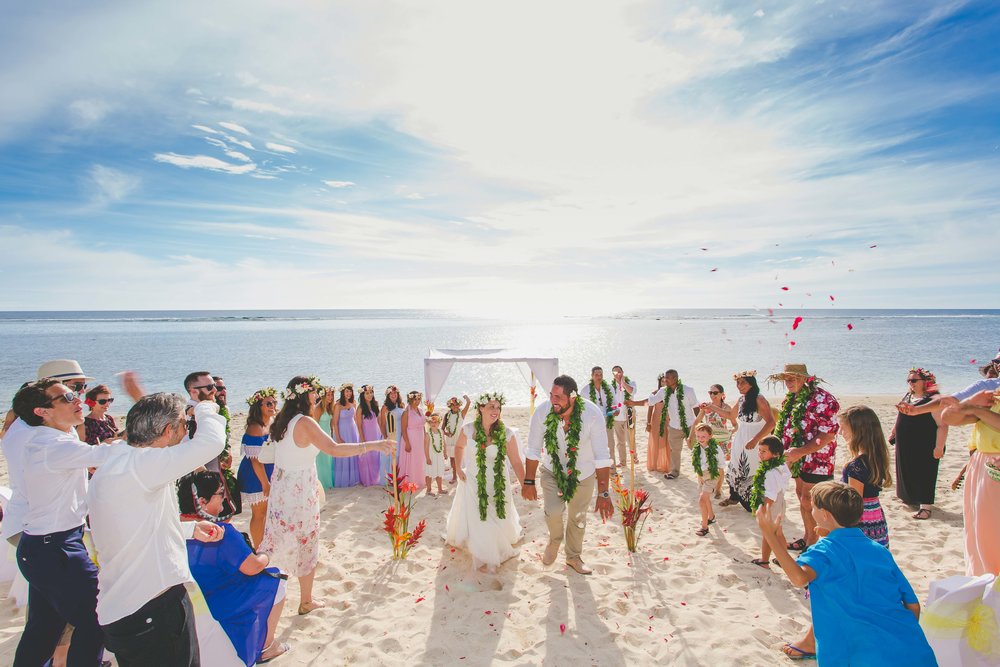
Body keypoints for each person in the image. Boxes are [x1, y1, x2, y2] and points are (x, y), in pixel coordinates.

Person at [87, 392, 226, 666]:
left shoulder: (121, 463)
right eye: (184, 426)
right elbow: (212, 442)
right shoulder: (142, 465)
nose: (186, 432)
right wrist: (206, 408)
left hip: (131, 605)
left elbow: (133, 524)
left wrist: (188, 530)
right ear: (167, 430)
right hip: (151, 607)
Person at [757, 482, 936, 666]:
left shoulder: (824, 551)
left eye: (814, 507)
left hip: (859, 655)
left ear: (824, 514)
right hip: (911, 650)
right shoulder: (879, 551)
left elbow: (799, 578)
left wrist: (770, 535)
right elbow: (913, 606)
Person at [258, 376, 392, 615]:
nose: (317, 395)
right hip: (299, 492)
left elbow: (270, 455)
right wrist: (372, 445)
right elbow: (333, 449)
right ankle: (306, 601)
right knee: (305, 543)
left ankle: (269, 594)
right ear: (305, 395)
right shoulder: (306, 422)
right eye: (314, 391)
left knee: (278, 542)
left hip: (282, 491)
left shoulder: (281, 420)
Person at [11, 379, 112, 666]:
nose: (78, 400)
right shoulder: (50, 445)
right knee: (98, 619)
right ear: (42, 412)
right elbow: (107, 454)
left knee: (43, 630)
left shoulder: (56, 439)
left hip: (42, 548)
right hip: (56, 549)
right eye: (67, 397)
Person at [178, 471, 290, 665]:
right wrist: (265, 554)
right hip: (221, 599)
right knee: (277, 579)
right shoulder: (219, 532)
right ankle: (266, 646)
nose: (225, 496)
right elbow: (252, 567)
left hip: (189, 601)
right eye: (220, 493)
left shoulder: (175, 528)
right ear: (202, 501)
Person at [524, 375, 614, 575]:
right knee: (553, 511)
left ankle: (573, 556)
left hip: (583, 474)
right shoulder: (542, 412)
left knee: (578, 517)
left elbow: (601, 455)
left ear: (572, 397)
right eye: (551, 395)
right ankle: (554, 540)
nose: (553, 400)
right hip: (551, 471)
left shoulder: (592, 414)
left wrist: (604, 493)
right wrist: (528, 481)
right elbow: (533, 448)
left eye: (558, 397)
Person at [445, 392, 525, 571]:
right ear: (481, 408)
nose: (495, 411)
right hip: (474, 480)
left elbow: (516, 461)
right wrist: (458, 468)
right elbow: (458, 447)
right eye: (491, 407)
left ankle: (495, 544)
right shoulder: (468, 429)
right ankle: (485, 553)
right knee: (479, 518)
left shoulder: (506, 433)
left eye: (498, 407)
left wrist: (526, 484)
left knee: (497, 514)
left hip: (498, 482)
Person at [768, 363, 839, 550]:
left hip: (818, 460)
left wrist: (800, 451)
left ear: (805, 379)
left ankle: (814, 544)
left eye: (792, 378)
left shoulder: (823, 399)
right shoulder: (791, 398)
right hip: (797, 459)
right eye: (786, 379)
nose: (788, 382)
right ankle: (808, 537)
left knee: (812, 501)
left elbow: (828, 433)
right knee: (802, 497)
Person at [939, 384, 1000, 576]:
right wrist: (969, 403)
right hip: (982, 465)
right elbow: (947, 418)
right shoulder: (993, 398)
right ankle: (986, 579)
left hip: (994, 465)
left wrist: (975, 409)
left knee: (993, 527)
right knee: (980, 528)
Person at [708, 371, 774, 510]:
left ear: (751, 383)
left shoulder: (759, 399)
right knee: (736, 466)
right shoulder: (741, 399)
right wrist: (711, 407)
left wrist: (755, 440)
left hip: (755, 439)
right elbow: (730, 415)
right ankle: (734, 497)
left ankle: (752, 501)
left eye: (743, 382)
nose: (739, 385)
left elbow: (771, 423)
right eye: (737, 383)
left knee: (751, 468)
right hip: (740, 438)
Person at [891, 368, 948, 520]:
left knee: (926, 473)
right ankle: (909, 498)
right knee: (906, 468)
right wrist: (894, 431)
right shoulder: (908, 396)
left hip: (926, 443)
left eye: (914, 380)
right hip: (906, 442)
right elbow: (900, 415)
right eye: (909, 380)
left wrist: (939, 446)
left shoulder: (932, 400)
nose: (911, 383)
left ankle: (926, 507)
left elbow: (942, 425)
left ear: (925, 382)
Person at [627, 369, 697, 480]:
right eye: (664, 377)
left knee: (697, 448)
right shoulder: (663, 391)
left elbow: (695, 407)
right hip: (674, 426)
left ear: (675, 378)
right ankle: (674, 472)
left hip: (689, 425)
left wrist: (699, 424)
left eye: (667, 378)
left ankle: (702, 470)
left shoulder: (688, 390)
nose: (665, 380)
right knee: (675, 451)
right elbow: (650, 401)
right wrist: (634, 403)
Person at [237, 387, 279, 550]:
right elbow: (256, 461)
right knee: (259, 513)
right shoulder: (255, 428)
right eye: (268, 403)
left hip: (270, 469)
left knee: (268, 511)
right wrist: (265, 483)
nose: (272, 405)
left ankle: (266, 544)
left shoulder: (272, 422)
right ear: (258, 406)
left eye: (274, 402)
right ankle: (258, 547)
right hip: (257, 475)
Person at [749, 436, 790, 568]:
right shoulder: (780, 465)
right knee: (778, 532)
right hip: (780, 501)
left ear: (776, 453)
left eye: (764, 451)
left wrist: (765, 510)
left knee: (768, 533)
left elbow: (771, 495)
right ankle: (783, 559)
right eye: (759, 451)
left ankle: (765, 561)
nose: (760, 454)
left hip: (772, 504)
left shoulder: (770, 472)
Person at [691, 383, 735, 498]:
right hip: (707, 440)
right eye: (710, 393)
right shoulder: (706, 407)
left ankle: (719, 489)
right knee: (703, 463)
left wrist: (732, 431)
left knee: (720, 466)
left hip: (723, 441)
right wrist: (691, 435)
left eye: (715, 393)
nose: (712, 395)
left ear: (722, 394)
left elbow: (735, 424)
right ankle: (704, 485)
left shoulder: (726, 408)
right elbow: (697, 422)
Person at [183, 371, 222, 472]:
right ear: (193, 391)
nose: (215, 389)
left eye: (214, 385)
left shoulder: (205, 410)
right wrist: (204, 475)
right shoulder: (187, 415)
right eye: (209, 387)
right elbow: (186, 452)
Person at [689, 424, 722, 537]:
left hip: (712, 475)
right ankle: (711, 517)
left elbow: (721, 467)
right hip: (702, 476)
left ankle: (704, 527)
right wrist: (699, 476)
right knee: (706, 498)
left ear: (710, 436)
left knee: (702, 499)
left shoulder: (716, 449)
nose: (700, 439)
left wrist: (718, 487)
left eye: (703, 436)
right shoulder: (696, 448)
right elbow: (696, 464)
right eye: (698, 436)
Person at [583, 367, 617, 465]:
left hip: (607, 421)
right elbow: (582, 408)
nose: (599, 377)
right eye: (597, 375)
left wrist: (616, 410)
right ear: (592, 376)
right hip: (592, 423)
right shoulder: (586, 390)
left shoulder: (609, 388)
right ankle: (595, 470)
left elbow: (615, 403)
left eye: (601, 374)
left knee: (610, 445)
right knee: (593, 447)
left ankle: (612, 469)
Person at [332, 384, 361, 488]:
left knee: (353, 453)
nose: (349, 393)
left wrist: (359, 432)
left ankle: (353, 479)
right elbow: (335, 423)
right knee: (344, 454)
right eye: (346, 391)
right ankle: (344, 479)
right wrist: (338, 438)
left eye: (350, 391)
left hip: (352, 431)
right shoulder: (338, 405)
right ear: (342, 392)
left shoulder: (354, 403)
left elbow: (355, 419)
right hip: (343, 431)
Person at [356, 384, 385, 486]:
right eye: (367, 393)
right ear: (362, 395)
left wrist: (382, 434)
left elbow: (379, 421)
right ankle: (367, 480)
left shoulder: (375, 404)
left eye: (371, 392)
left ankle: (376, 479)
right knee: (366, 457)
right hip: (366, 435)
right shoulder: (360, 408)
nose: (369, 395)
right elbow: (359, 426)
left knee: (376, 456)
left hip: (376, 434)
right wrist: (363, 440)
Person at [609, 366, 637, 467]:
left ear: (622, 372)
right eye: (615, 372)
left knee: (631, 439)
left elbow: (632, 391)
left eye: (619, 372)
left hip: (629, 415)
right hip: (617, 418)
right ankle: (623, 461)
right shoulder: (610, 387)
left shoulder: (631, 383)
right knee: (620, 441)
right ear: (613, 374)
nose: (618, 374)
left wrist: (623, 383)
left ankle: (634, 457)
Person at [399, 390, 427, 488]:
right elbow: (403, 429)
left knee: (419, 459)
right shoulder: (407, 412)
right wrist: (407, 443)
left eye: (419, 399)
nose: (417, 401)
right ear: (410, 399)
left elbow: (423, 424)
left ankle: (419, 479)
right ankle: (410, 482)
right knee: (411, 460)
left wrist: (426, 435)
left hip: (420, 438)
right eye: (415, 399)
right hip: (411, 438)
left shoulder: (420, 410)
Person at [442, 395, 471, 484]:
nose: (456, 407)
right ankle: (454, 476)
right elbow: (442, 428)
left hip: (459, 438)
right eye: (453, 405)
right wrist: (447, 433)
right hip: (450, 439)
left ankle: (460, 473)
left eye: (457, 405)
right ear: (450, 406)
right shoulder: (447, 415)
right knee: (452, 459)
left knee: (458, 457)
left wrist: (466, 398)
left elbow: (469, 403)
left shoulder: (461, 414)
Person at [379, 386, 405, 485]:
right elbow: (382, 424)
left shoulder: (401, 405)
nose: (393, 395)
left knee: (398, 456)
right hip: (390, 434)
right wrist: (385, 437)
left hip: (400, 434)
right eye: (391, 393)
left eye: (395, 393)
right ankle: (389, 480)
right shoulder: (385, 407)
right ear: (388, 395)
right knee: (389, 456)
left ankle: (397, 479)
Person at [644, 373, 669, 474]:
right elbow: (650, 409)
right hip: (656, 419)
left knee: (667, 441)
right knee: (655, 441)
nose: (664, 383)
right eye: (662, 381)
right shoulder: (654, 393)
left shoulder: (671, 393)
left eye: (666, 381)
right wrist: (648, 423)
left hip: (668, 419)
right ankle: (654, 464)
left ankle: (666, 464)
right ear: (659, 382)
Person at [315, 388, 336, 489]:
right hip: (320, 437)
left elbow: (331, 424)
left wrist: (332, 435)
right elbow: (314, 424)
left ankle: (329, 483)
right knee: (321, 460)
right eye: (328, 395)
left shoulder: (329, 407)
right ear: (323, 396)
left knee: (328, 460)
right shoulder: (318, 408)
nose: (330, 397)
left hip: (328, 435)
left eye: (331, 395)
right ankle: (322, 484)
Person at [424, 413, 448, 496]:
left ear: (439, 423)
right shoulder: (428, 434)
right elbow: (426, 447)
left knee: (439, 472)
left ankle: (440, 489)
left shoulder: (441, 432)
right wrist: (427, 458)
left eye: (435, 422)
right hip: (431, 456)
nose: (433, 424)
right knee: (429, 473)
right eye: (431, 422)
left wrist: (445, 453)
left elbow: (444, 443)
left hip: (439, 455)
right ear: (429, 424)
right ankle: (429, 489)